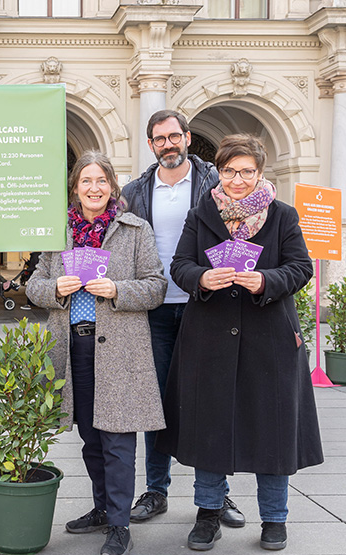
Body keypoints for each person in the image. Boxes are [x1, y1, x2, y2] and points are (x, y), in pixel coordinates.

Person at [157, 134, 323, 552]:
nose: (237, 179)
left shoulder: (283, 216)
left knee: (273, 432)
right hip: (210, 340)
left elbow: (301, 268)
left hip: (269, 341)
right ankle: (207, 514)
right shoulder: (201, 213)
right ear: (220, 171)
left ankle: (274, 519)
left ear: (259, 173)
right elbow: (180, 265)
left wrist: (267, 280)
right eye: (230, 170)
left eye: (247, 171)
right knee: (211, 431)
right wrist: (202, 279)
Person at [26, 150, 167, 555]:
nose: (94, 188)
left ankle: (120, 525)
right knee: (90, 438)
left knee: (117, 439)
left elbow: (156, 286)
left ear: (112, 187)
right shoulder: (58, 232)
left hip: (120, 350)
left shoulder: (134, 229)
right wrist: (56, 288)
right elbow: (34, 285)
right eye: (86, 181)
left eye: (101, 181)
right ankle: (103, 507)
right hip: (72, 349)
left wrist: (118, 290)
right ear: (75, 188)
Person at [120, 109, 244, 528]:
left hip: (205, 304)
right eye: (159, 139)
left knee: (210, 399)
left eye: (174, 136)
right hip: (153, 307)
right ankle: (156, 489)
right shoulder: (135, 191)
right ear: (151, 145)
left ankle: (217, 495)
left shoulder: (214, 182)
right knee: (154, 402)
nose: (168, 145)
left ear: (188, 138)